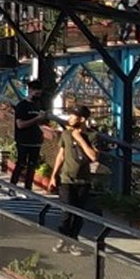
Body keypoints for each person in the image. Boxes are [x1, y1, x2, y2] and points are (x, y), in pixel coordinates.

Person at [49, 105, 100, 254]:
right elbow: (61, 155)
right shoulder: (65, 134)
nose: (70, 119)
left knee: (78, 213)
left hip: (83, 180)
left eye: (73, 116)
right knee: (66, 210)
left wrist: (79, 139)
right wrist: (53, 175)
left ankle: (73, 240)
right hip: (66, 178)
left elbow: (94, 157)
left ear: (82, 119)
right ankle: (63, 237)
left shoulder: (92, 136)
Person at [9, 82, 47, 190]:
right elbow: (20, 124)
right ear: (30, 90)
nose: (38, 96)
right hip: (23, 140)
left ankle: (28, 189)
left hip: (36, 140)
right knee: (21, 163)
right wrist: (36, 119)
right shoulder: (22, 106)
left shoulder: (38, 104)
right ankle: (12, 187)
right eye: (36, 93)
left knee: (32, 165)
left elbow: (41, 122)